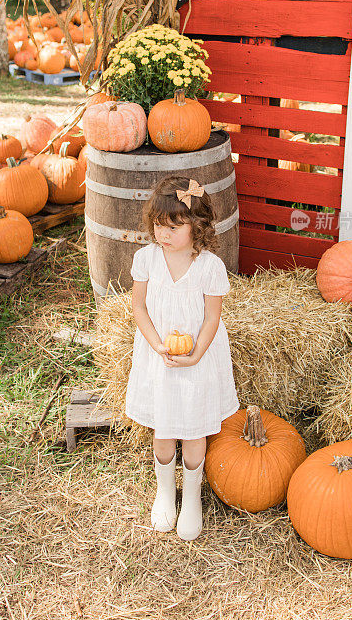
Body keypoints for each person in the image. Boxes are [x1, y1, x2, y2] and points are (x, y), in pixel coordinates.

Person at [125, 175, 239, 540]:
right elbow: (139, 309)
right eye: (159, 226)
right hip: (159, 356)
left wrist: (196, 356)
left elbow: (211, 318)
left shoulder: (209, 267)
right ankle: (165, 493)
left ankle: (191, 497)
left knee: (192, 431)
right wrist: (157, 344)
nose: (164, 234)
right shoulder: (146, 259)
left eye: (175, 227)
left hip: (197, 359)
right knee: (164, 428)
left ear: (198, 226)